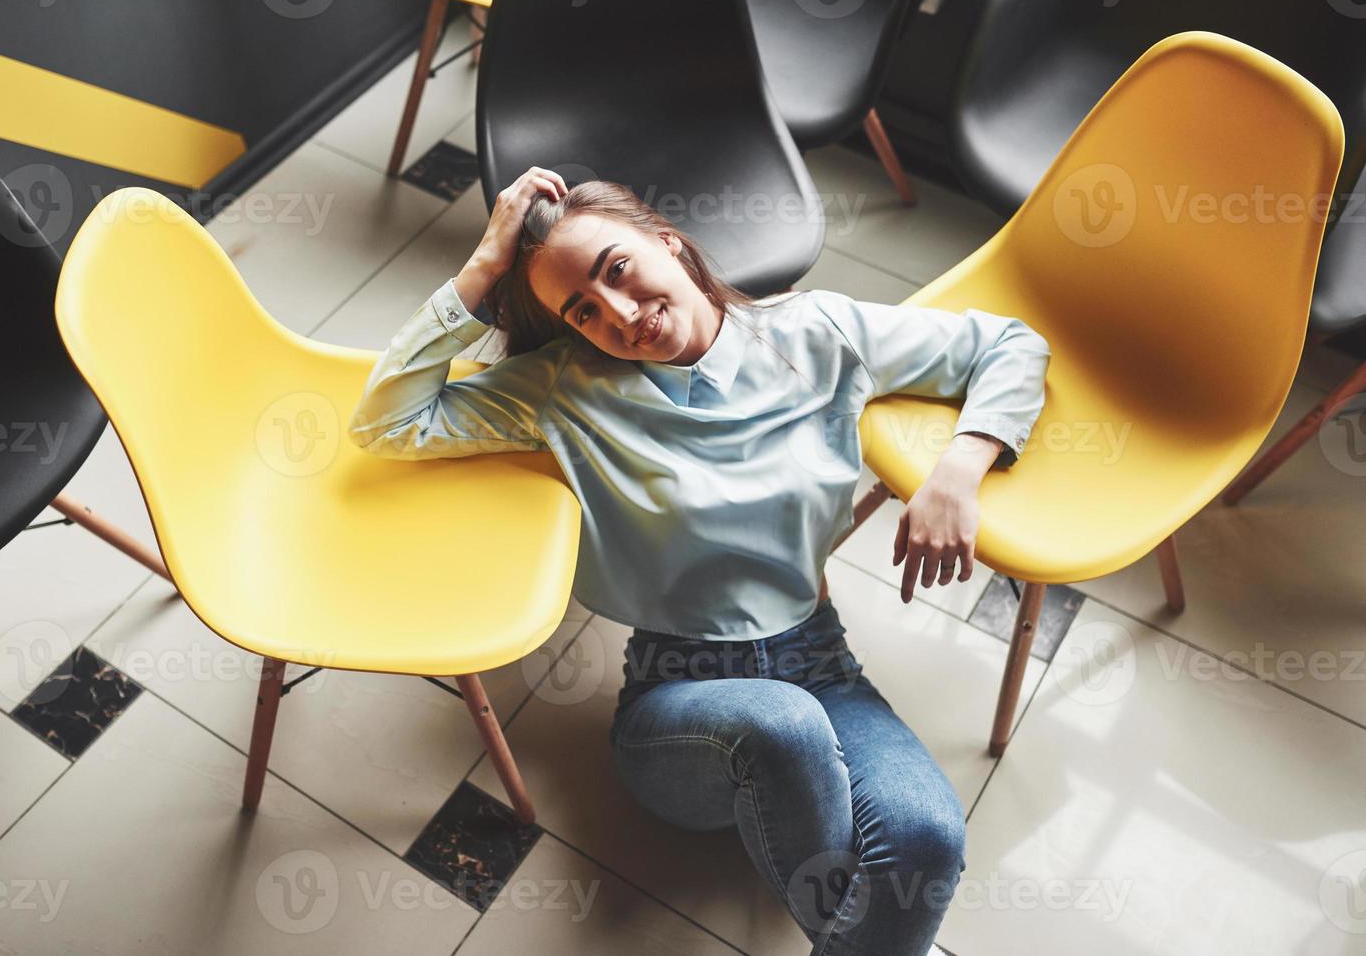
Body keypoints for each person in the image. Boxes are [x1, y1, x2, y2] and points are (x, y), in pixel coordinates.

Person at [349, 167, 1051, 955]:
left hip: (818, 661)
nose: (617, 314)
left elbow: (1010, 345)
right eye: (581, 308)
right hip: (678, 692)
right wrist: (480, 270)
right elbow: (386, 423)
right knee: (781, 729)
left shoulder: (815, 332)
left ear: (667, 241)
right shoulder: (559, 389)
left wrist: (958, 471)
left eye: (616, 270)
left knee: (925, 837)